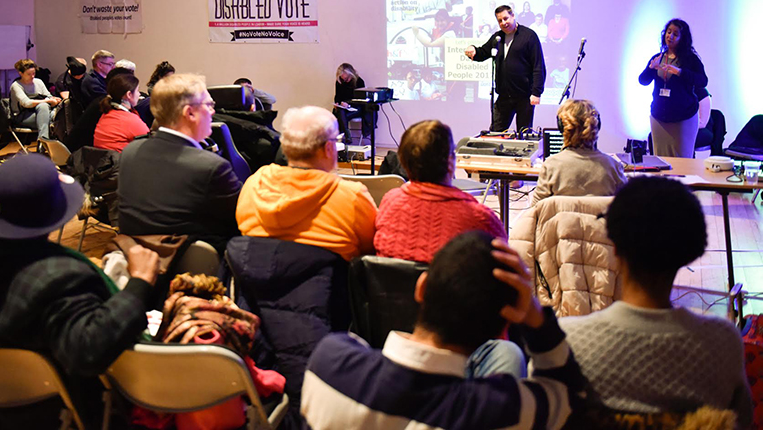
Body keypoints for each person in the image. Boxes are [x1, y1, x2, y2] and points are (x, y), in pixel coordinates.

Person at [301, 231, 586, 430]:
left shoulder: (330, 361)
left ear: (421, 287)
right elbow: (569, 397)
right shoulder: (499, 411)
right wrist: (535, 318)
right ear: (503, 325)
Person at [0, 154, 160, 428]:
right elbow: (89, 351)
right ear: (56, 218)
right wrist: (140, 282)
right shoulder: (62, 278)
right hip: (49, 414)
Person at [560, 177, 752, 427]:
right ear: (689, 253)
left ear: (615, 248)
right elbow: (743, 421)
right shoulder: (724, 342)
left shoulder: (568, 342)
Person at [118, 74, 243, 251]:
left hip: (136, 259)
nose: (213, 112)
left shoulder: (129, 152)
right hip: (193, 270)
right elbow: (243, 218)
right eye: (209, 105)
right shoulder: (210, 167)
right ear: (189, 113)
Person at [236, 106, 377, 261]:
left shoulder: (254, 184)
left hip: (257, 284)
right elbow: (371, 252)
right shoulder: (352, 197)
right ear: (329, 148)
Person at [375, 120, 506, 262]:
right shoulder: (480, 219)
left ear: (404, 163)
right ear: (451, 163)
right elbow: (505, 269)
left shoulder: (389, 202)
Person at [465, 5, 547, 132]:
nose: (503, 23)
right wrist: (473, 50)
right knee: (495, 133)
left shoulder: (529, 36)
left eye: (506, 18)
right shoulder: (497, 38)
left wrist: (536, 92)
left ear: (513, 16)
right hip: (503, 96)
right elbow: (483, 53)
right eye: (500, 21)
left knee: (523, 135)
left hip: (524, 96)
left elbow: (538, 66)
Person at [532, 99, 626, 206]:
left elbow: (535, 210)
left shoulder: (551, 165)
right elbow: (626, 209)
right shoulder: (613, 166)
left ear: (561, 127)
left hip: (560, 223)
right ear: (597, 125)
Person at [639, 18, 708, 158]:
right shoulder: (658, 57)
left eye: (675, 34)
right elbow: (643, 80)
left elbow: (702, 81)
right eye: (668, 32)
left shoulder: (690, 60)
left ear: (682, 38)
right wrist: (651, 68)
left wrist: (680, 72)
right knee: (661, 159)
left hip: (684, 117)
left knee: (682, 160)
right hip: (659, 117)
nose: (670, 36)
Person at [93, 73, 149, 152]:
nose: (139, 94)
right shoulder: (129, 120)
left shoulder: (106, 115)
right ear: (129, 94)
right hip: (122, 162)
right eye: (137, 90)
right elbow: (149, 144)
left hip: (105, 162)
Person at [10, 59, 62, 140]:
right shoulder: (16, 85)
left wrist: (53, 99)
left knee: (54, 114)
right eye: (29, 74)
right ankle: (44, 140)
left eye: (34, 73)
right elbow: (26, 103)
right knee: (45, 108)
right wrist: (47, 101)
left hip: (41, 114)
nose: (32, 76)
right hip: (23, 116)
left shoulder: (38, 82)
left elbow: (48, 96)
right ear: (21, 73)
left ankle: (43, 141)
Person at [333, 63, 376, 143]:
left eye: (347, 78)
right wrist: (337, 103)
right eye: (344, 79)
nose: (345, 81)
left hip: (356, 108)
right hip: (343, 109)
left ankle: (344, 139)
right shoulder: (339, 82)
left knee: (341, 115)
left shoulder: (359, 82)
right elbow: (337, 96)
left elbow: (360, 100)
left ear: (351, 74)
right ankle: (347, 136)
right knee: (340, 112)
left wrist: (349, 105)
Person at [137, 60, 176, 127]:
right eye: (167, 77)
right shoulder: (153, 89)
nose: (170, 80)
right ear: (160, 77)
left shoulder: (171, 87)